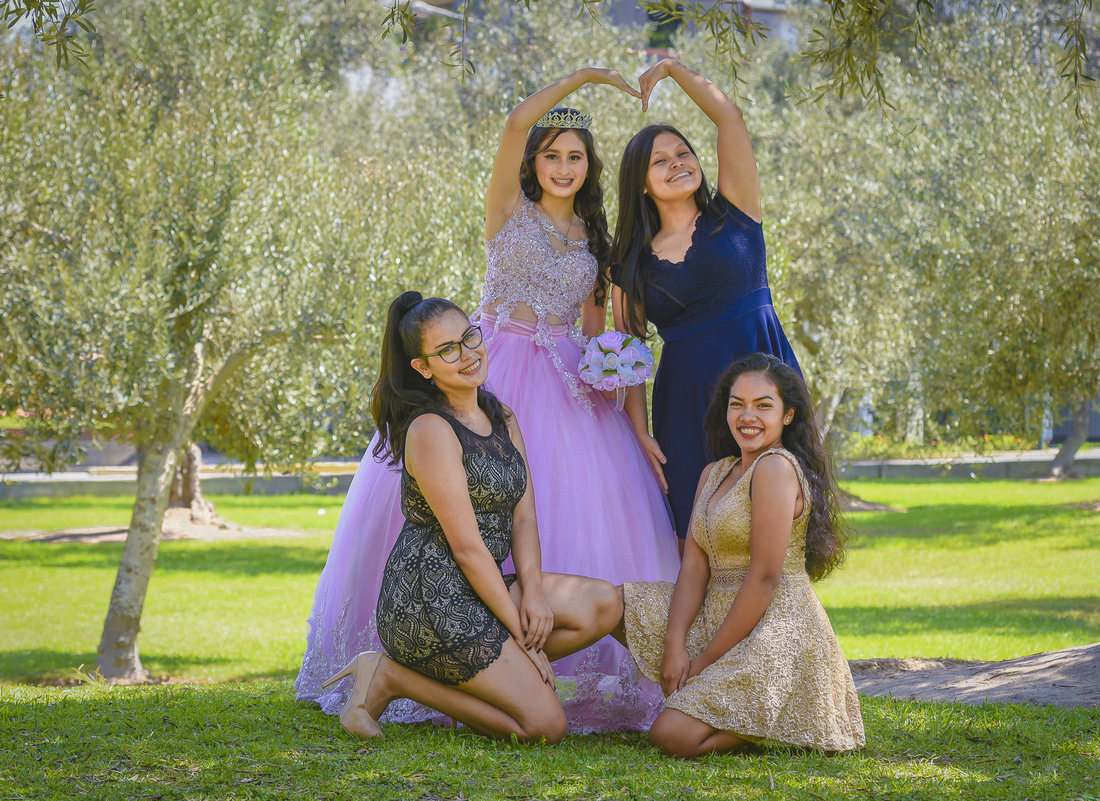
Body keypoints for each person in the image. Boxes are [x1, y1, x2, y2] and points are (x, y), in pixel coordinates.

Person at [475, 68, 681, 731]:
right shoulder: (508, 210)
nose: (564, 167)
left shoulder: (597, 242)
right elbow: (515, 122)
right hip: (498, 372)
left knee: (583, 509)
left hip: (570, 388)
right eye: (552, 155)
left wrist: (634, 420)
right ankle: (470, 653)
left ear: (589, 167)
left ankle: (554, 665)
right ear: (533, 161)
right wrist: (588, 77)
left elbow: (604, 340)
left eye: (576, 157)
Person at [324, 291, 625, 742]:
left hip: (480, 588)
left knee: (602, 604)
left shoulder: (501, 416)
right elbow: (467, 549)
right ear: (423, 367)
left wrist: (534, 594)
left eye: (469, 337)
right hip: (430, 599)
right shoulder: (430, 430)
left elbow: (524, 519)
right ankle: (391, 677)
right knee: (545, 726)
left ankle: (500, 673)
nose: (467, 354)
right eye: (447, 350)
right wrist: (521, 636)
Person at [618, 354, 864, 756]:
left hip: (777, 625)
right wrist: (675, 643)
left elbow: (764, 578)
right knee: (614, 603)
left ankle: (784, 720)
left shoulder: (776, 468)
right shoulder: (714, 472)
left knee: (670, 735)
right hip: (716, 612)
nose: (748, 416)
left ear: (788, 415)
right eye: (737, 404)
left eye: (763, 405)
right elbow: (694, 565)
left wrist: (702, 663)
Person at [610, 58, 801, 544]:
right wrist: (640, 432)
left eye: (683, 152)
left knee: (779, 518)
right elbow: (629, 356)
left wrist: (672, 69)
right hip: (684, 400)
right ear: (641, 183)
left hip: (763, 370)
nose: (677, 163)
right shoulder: (630, 265)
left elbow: (729, 117)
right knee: (696, 531)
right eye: (660, 161)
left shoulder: (735, 209)